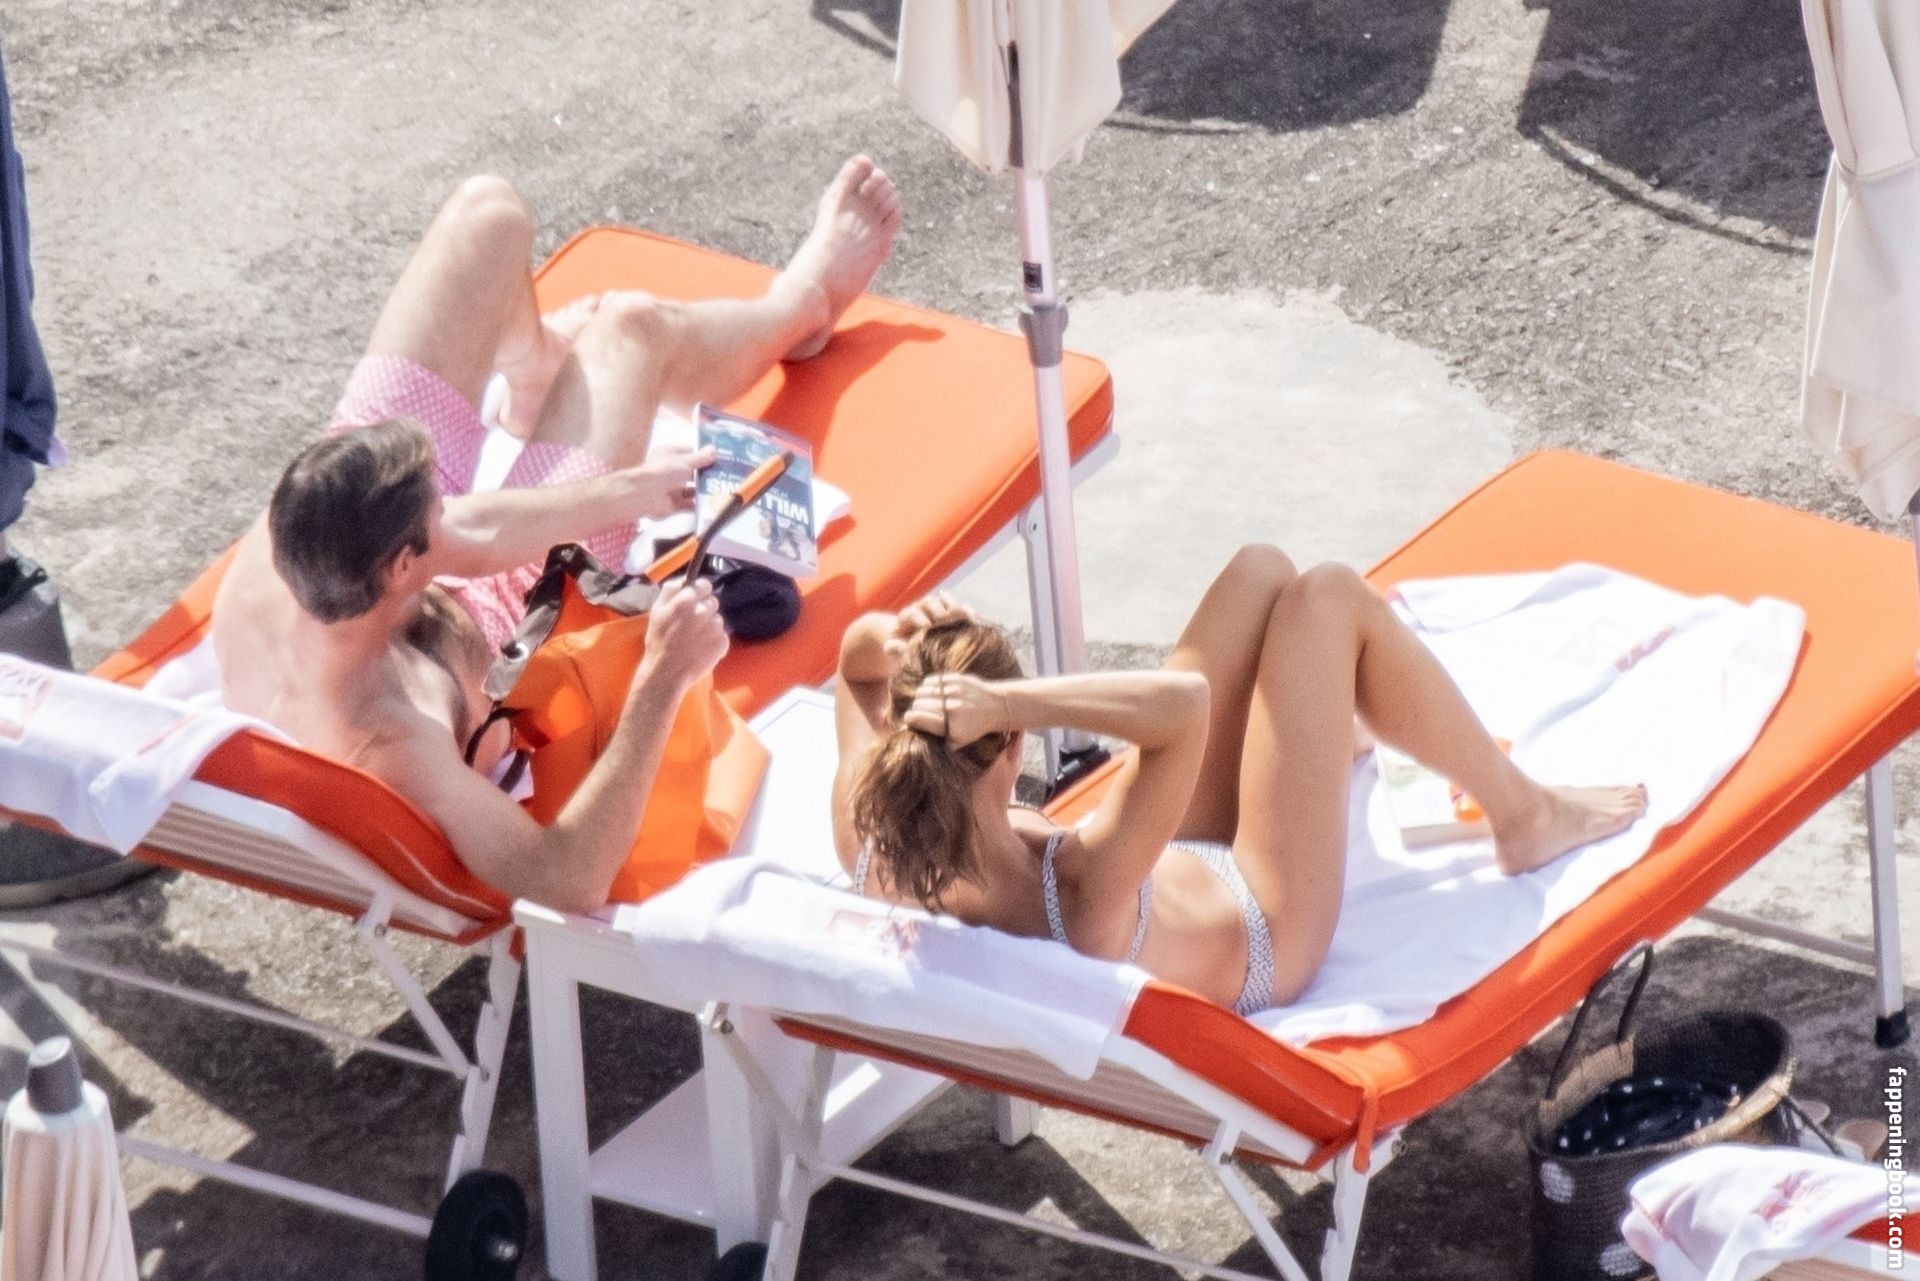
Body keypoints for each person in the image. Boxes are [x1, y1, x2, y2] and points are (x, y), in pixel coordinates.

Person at [212, 155, 902, 912]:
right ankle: (803, 305)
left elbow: (466, 529)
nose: (454, 487)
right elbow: (569, 878)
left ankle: (534, 363)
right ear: (403, 566)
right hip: (504, 609)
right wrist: (662, 678)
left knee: (488, 214)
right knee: (630, 328)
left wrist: (629, 491)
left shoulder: (297, 554)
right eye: (435, 498)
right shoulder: (395, 738)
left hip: (410, 579)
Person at [833, 548, 1648, 1013]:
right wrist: (1015, 697)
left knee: (1262, 572)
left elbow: (853, 667)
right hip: (1266, 919)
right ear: (1013, 743)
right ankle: (1523, 813)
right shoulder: (1078, 888)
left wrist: (892, 634)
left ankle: (1336, 722)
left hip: (1168, 861)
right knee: (1325, 597)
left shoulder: (874, 849)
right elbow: (1182, 708)